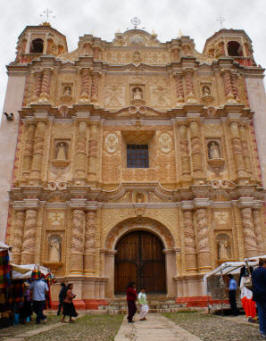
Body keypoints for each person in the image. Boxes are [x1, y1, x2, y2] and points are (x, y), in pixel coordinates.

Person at [252, 258, 266, 339]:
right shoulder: (264, 271)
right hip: (264, 294)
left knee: (261, 313)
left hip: (257, 295)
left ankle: (262, 331)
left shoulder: (254, 271)